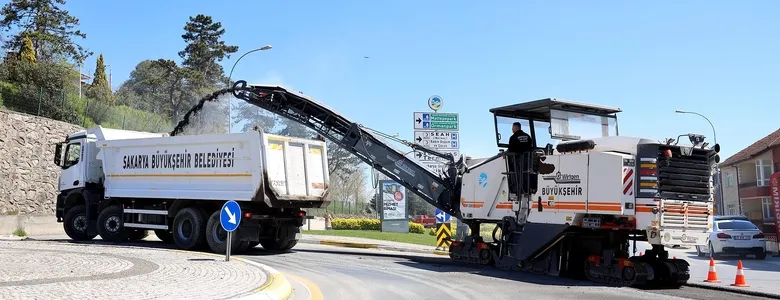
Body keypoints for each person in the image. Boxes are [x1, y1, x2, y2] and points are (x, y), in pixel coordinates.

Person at [507, 122, 533, 194]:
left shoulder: (513, 138)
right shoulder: (528, 136)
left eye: (512, 127)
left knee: (518, 176)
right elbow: (531, 148)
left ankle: (519, 190)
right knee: (526, 175)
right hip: (527, 160)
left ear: (515, 128)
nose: (512, 129)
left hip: (518, 160)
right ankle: (527, 189)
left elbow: (510, 150)